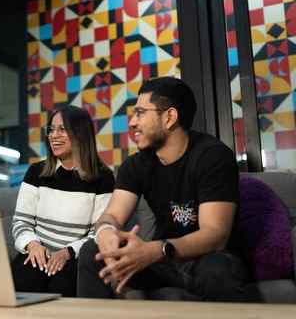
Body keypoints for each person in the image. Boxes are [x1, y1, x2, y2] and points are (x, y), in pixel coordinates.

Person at [77, 77, 246, 302]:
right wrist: (105, 232)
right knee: (91, 250)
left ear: (169, 117)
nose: (132, 122)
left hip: (203, 260)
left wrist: (155, 250)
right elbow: (112, 215)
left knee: (217, 267)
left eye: (140, 113)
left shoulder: (213, 156)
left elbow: (215, 236)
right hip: (159, 263)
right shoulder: (136, 165)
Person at [11, 105, 115, 297]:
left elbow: (100, 233)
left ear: (81, 134)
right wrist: (34, 246)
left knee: (64, 286)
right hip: (36, 251)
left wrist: (67, 253)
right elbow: (21, 222)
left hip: (75, 256)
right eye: (51, 129)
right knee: (27, 281)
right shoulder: (36, 172)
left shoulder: (103, 178)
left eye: (62, 129)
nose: (54, 135)